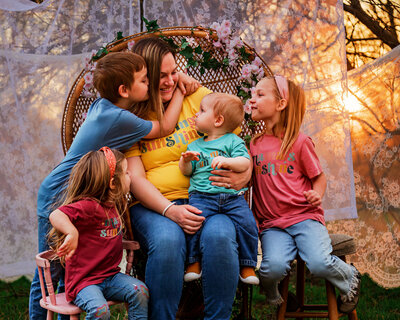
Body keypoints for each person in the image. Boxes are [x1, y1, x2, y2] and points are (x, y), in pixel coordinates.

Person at [29, 51, 197, 319]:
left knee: (67, 274)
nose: (150, 84)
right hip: (59, 197)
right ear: (124, 90)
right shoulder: (120, 119)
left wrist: (177, 76)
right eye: (145, 80)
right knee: (51, 272)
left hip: (74, 194)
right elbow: (165, 127)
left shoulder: (103, 105)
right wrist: (178, 89)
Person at [126, 37, 252, 320]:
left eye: (175, 72)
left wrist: (245, 175)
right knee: (168, 240)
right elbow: (135, 179)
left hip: (211, 198)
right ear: (144, 76)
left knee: (220, 235)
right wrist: (170, 210)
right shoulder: (133, 116)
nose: (171, 81)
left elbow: (236, 141)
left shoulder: (198, 98)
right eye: (162, 76)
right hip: (155, 205)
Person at [249, 75, 361, 313]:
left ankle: (349, 275)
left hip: (304, 218)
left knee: (319, 263)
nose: (252, 100)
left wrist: (316, 195)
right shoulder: (254, 144)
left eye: (260, 94)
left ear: (281, 104)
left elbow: (318, 177)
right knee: (271, 269)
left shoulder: (299, 142)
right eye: (253, 94)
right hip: (272, 225)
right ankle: (275, 292)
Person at [48, 147, 148, 319]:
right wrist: (72, 232)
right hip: (84, 283)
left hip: (110, 277)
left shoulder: (114, 203)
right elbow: (56, 214)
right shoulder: (89, 206)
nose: (130, 175)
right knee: (100, 311)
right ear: (112, 183)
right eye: (125, 172)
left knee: (140, 291)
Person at [178, 92, 259, 285]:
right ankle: (193, 262)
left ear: (218, 120)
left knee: (247, 223)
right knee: (193, 223)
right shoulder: (195, 145)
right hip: (202, 196)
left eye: (202, 111)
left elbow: (244, 163)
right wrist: (185, 160)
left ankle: (247, 265)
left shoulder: (232, 141)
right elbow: (187, 172)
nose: (196, 114)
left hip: (232, 198)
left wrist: (228, 161)